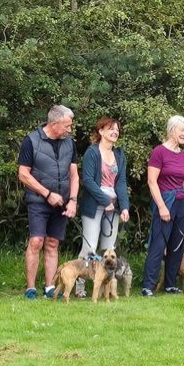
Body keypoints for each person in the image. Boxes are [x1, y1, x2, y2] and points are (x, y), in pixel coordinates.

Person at [18, 105, 79, 299]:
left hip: (62, 202)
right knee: (36, 241)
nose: (70, 130)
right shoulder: (31, 141)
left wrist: (73, 201)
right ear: (54, 124)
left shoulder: (70, 143)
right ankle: (30, 288)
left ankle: (50, 287)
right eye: (67, 126)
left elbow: (74, 175)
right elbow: (23, 174)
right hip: (38, 201)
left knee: (53, 243)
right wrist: (47, 193)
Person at [74, 117, 129, 297]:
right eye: (110, 129)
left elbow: (120, 183)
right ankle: (80, 286)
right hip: (94, 206)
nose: (115, 132)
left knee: (108, 249)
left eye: (117, 129)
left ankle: (106, 289)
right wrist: (105, 201)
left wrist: (125, 207)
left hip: (113, 208)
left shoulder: (119, 155)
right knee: (89, 247)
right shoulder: (92, 152)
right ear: (101, 132)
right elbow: (88, 181)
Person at [143, 115, 184, 296]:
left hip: (182, 203)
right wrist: (161, 207)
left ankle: (170, 284)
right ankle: (148, 286)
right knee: (158, 244)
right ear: (172, 130)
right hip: (166, 201)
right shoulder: (159, 152)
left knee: (177, 245)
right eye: (182, 130)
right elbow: (152, 182)